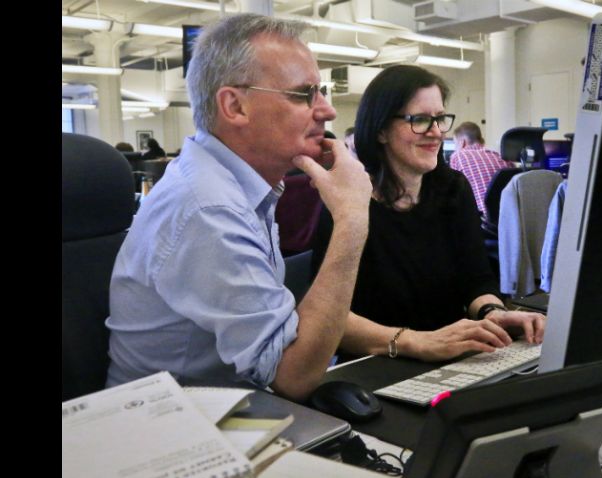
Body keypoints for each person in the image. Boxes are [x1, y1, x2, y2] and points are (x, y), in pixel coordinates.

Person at [106, 14, 372, 401]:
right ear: (234, 106)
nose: (327, 111)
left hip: (220, 409)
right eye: (304, 94)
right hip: (165, 434)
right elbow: (293, 375)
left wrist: (410, 341)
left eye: (322, 91)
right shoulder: (207, 207)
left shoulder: (241, 184)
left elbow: (283, 324)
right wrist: (351, 219)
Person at [312, 65, 545, 363]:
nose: (436, 132)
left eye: (439, 119)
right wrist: (418, 342)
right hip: (376, 364)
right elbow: (330, 318)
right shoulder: (346, 203)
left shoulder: (452, 189)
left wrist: (493, 313)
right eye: (420, 120)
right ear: (381, 130)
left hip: (451, 355)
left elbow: (476, 279)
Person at [449, 121, 517, 219]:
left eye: (455, 144)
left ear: (462, 142)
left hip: (482, 221)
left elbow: (452, 194)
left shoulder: (458, 156)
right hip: (509, 221)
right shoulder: (502, 156)